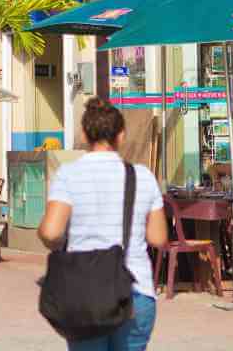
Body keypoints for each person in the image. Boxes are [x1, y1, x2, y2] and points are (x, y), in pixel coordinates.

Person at [38, 98, 167, 351]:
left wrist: (55, 238)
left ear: (85, 135)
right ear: (121, 135)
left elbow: (51, 232)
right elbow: (158, 238)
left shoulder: (68, 174)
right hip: (134, 292)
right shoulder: (142, 176)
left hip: (83, 293)